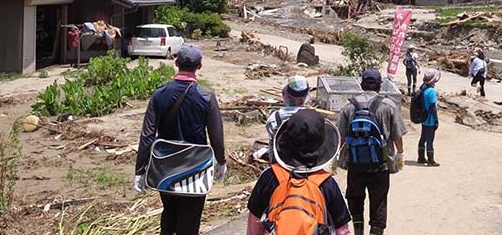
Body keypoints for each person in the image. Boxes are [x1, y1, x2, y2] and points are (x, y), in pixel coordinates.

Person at [134, 45, 227, 235]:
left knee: (169, 213)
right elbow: (216, 135)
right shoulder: (207, 96)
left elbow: (147, 135)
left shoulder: (159, 94)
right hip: (196, 167)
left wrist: (140, 170)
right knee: (190, 220)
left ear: (176, 63)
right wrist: (221, 161)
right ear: (199, 66)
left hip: (165, 167)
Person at [246, 109, 352, 234]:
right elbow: (342, 231)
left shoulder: (269, 177)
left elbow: (253, 228)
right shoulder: (327, 183)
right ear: (321, 143)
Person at [338, 69, 406, 235]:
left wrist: (337, 158)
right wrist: (399, 154)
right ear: (379, 85)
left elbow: (342, 136)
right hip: (380, 165)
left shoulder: (349, 106)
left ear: (361, 84)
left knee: (355, 199)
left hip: (355, 164)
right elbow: (397, 135)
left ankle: (358, 231)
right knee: (379, 202)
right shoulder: (389, 105)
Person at [265, 75, 310, 162]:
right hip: (306, 164)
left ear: (286, 95)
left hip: (280, 164)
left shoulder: (274, 118)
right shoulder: (314, 118)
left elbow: (272, 138)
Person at [417, 68, 441, 167]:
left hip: (424, 118)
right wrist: (436, 120)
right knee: (430, 139)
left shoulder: (423, 88)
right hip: (430, 119)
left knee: (423, 138)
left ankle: (421, 157)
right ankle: (431, 160)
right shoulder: (431, 91)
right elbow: (433, 107)